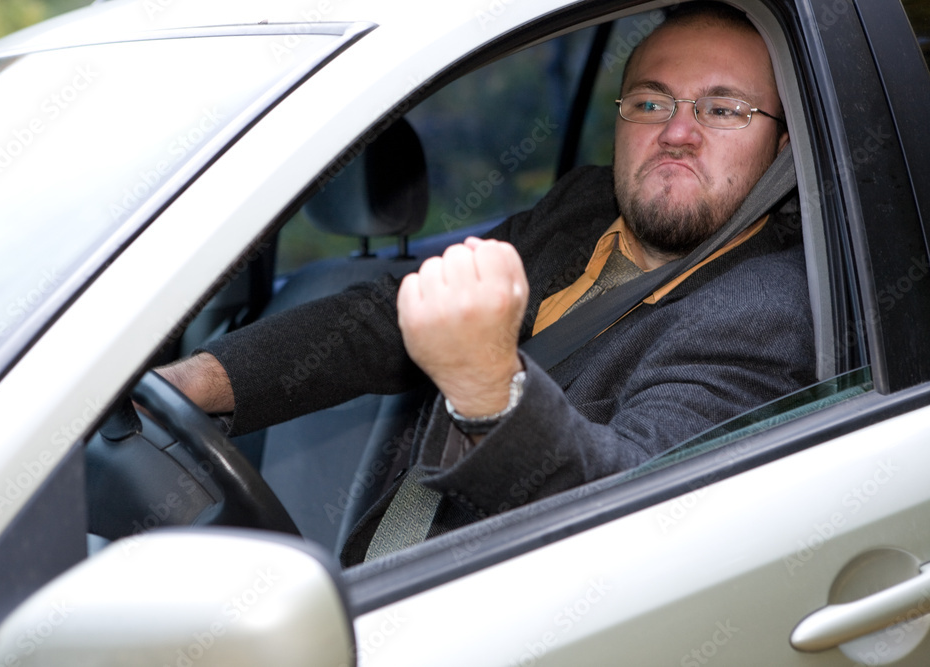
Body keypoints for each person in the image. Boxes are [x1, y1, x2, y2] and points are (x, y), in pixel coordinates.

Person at [159, 2, 815, 564]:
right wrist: (197, 381)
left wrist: (489, 390)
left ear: (783, 151)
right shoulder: (583, 209)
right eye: (650, 101)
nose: (677, 133)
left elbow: (637, 517)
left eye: (724, 109)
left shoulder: (765, 313)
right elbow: (393, 314)